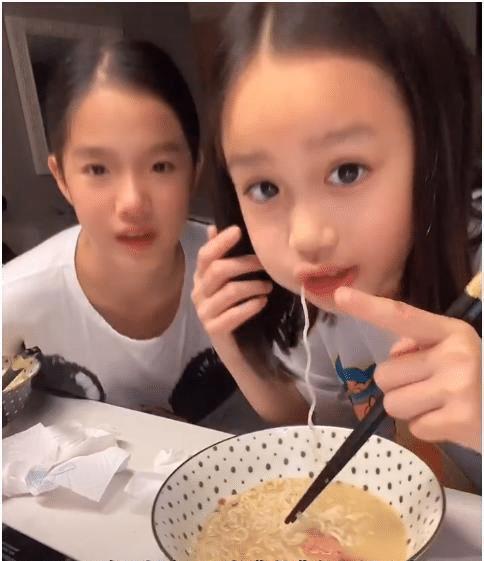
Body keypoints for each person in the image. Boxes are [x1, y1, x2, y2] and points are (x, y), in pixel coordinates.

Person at [191, 4, 481, 489]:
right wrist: (232, 344)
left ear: (434, 145)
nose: (306, 236)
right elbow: (321, 428)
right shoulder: (329, 299)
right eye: (264, 187)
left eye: (347, 171)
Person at [3, 39, 267, 433]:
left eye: (160, 166)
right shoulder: (15, 298)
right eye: (98, 169)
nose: (132, 203)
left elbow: (308, 417)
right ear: (62, 178)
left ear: (194, 169)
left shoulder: (242, 272)